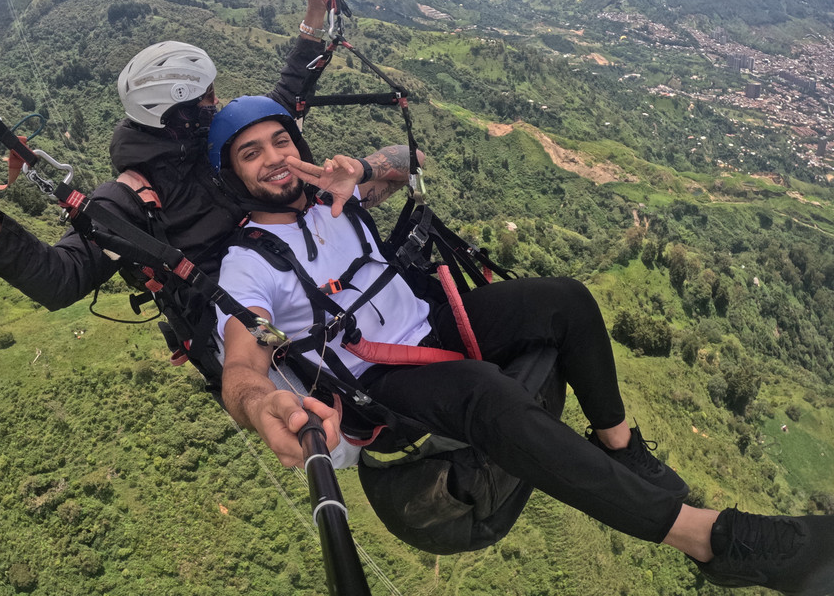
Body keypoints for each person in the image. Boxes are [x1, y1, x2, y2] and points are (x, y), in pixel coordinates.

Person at [209, 95, 834, 596]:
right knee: (490, 396)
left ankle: (620, 448)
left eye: (281, 140)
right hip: (375, 381)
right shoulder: (247, 264)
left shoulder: (335, 195)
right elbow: (241, 364)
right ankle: (713, 541)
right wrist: (261, 405)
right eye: (251, 153)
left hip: (429, 319)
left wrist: (366, 170)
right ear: (233, 176)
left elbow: (412, 157)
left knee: (566, 299)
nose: (274, 158)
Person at [0, 0, 336, 306]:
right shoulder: (130, 200)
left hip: (301, 268)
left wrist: (313, 18)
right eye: (205, 98)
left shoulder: (216, 143)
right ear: (178, 115)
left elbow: (282, 98)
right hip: (246, 319)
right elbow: (60, 278)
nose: (215, 104)